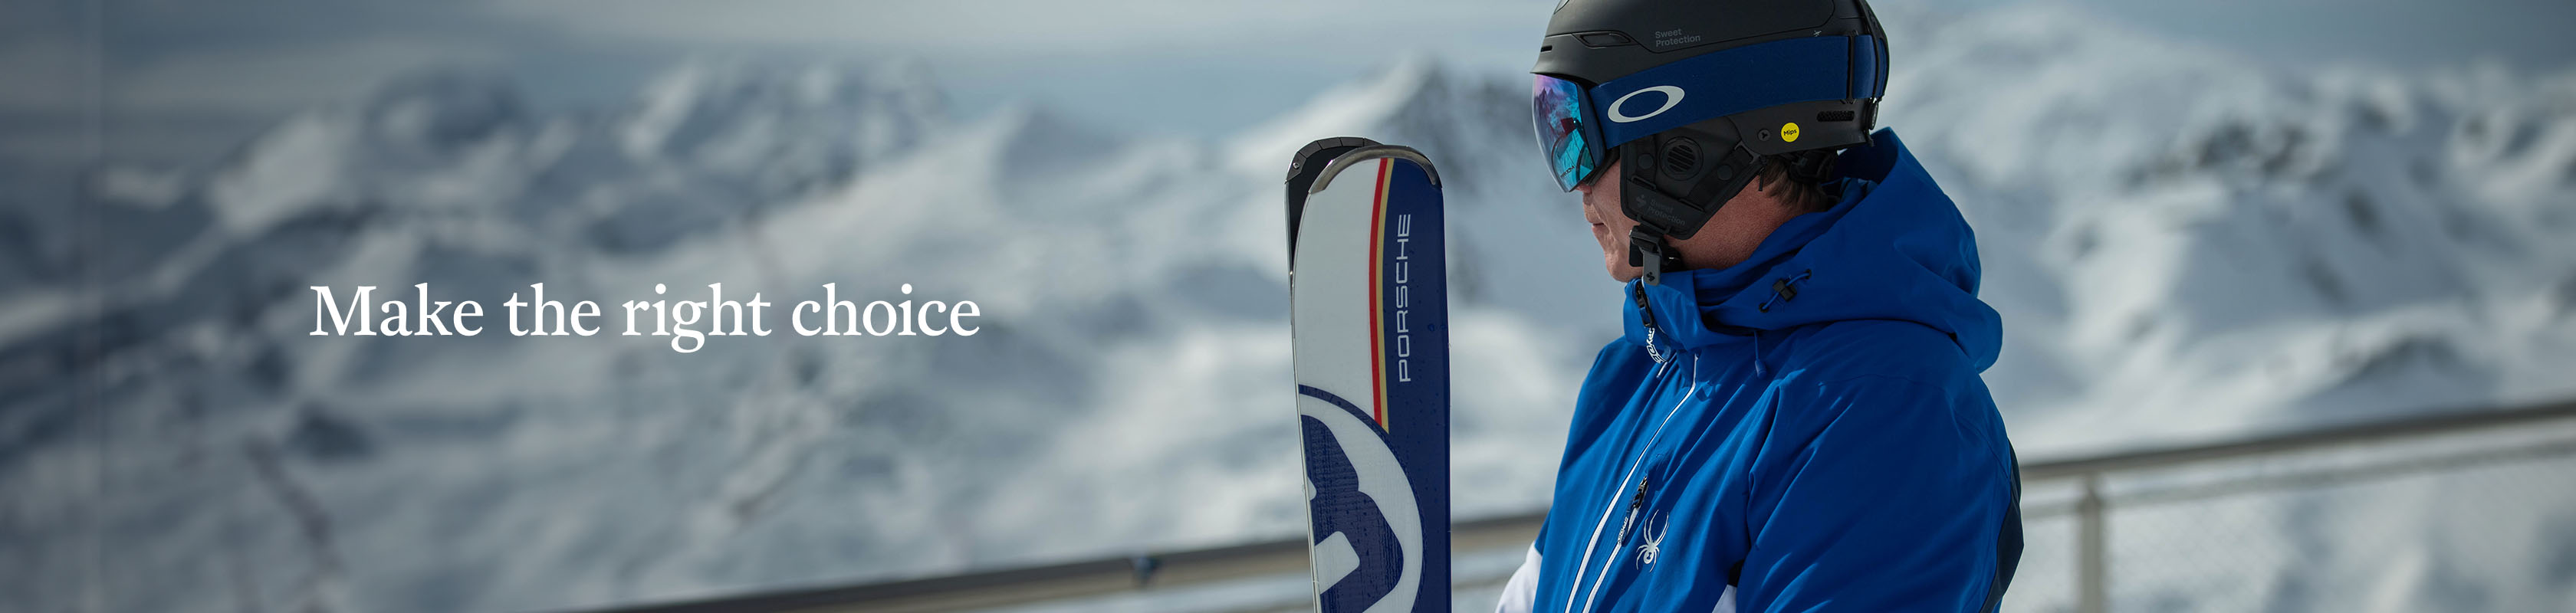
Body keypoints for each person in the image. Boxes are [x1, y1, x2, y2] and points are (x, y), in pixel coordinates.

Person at [1499, 0, 2023, 611]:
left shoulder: (1885, 406)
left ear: (1685, 152)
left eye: (1580, 140)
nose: (1577, 186)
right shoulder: (1639, 371)